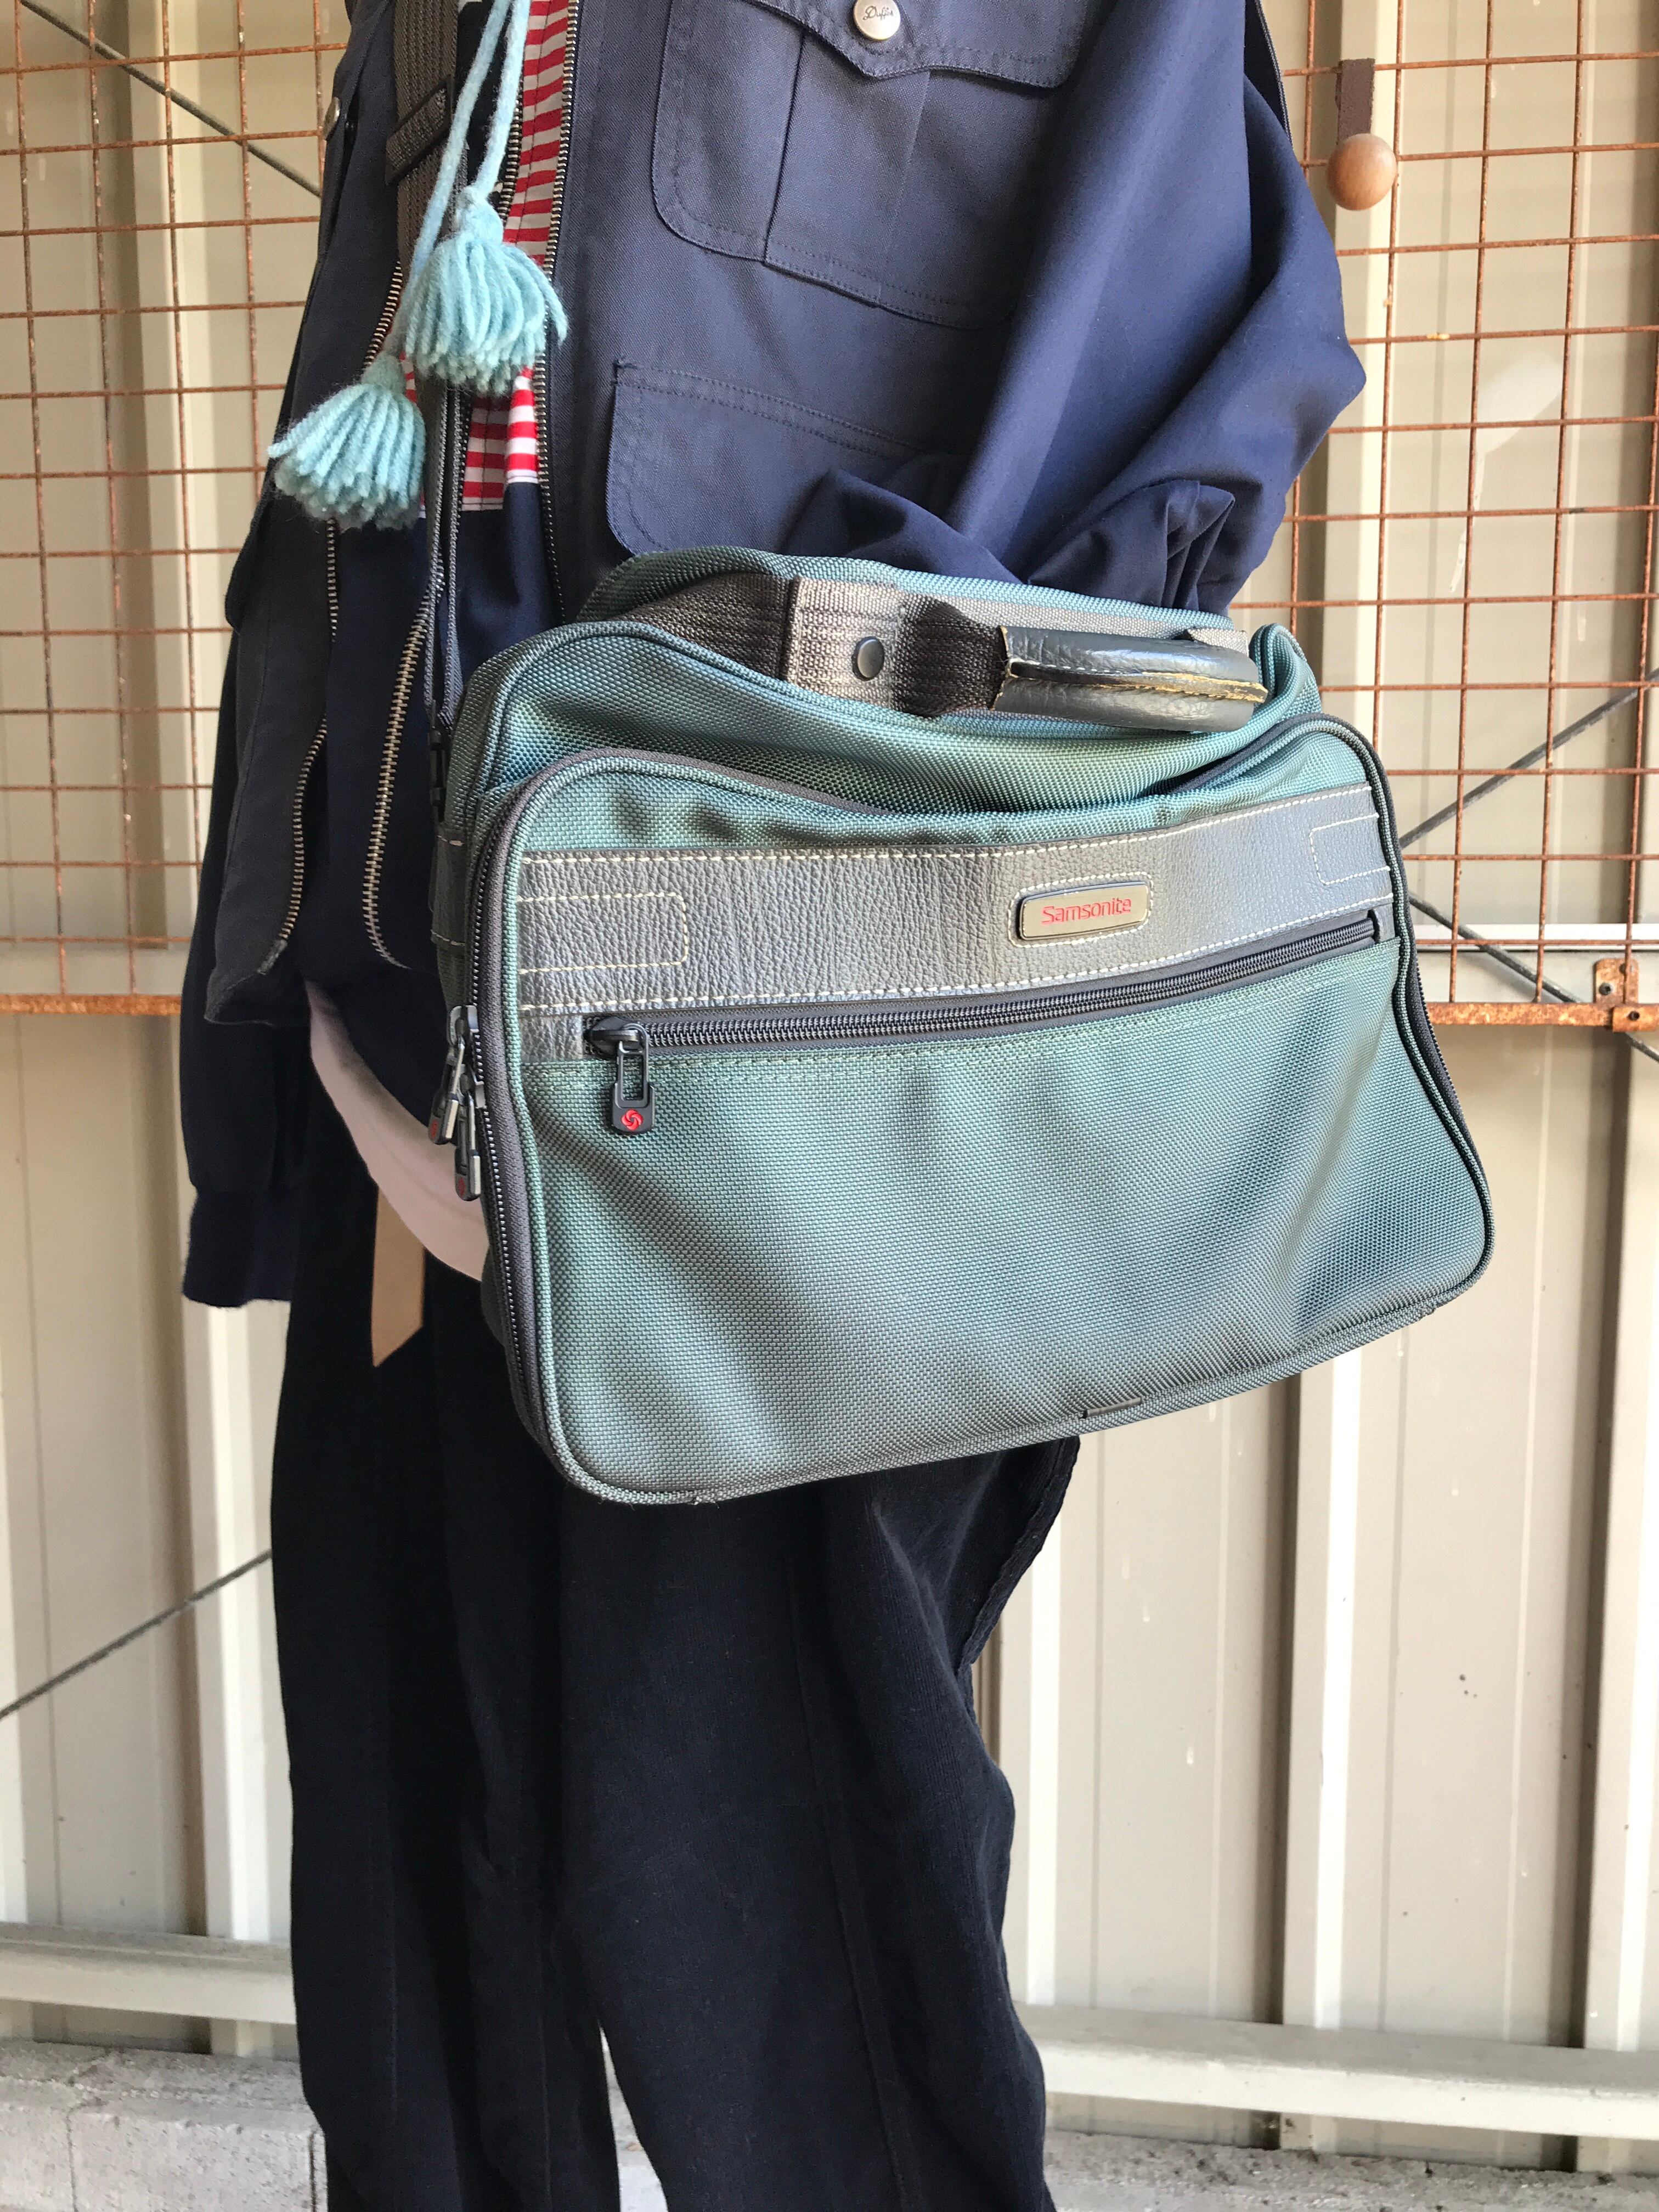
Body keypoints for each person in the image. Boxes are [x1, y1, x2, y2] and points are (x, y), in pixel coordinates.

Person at [179, 2, 1361, 2205]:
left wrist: (815, 922)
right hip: (408, 1097)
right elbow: (355, 529)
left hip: (781, 1151)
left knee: (802, 2009)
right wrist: (272, 1071)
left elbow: (1163, 432)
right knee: (419, 1980)